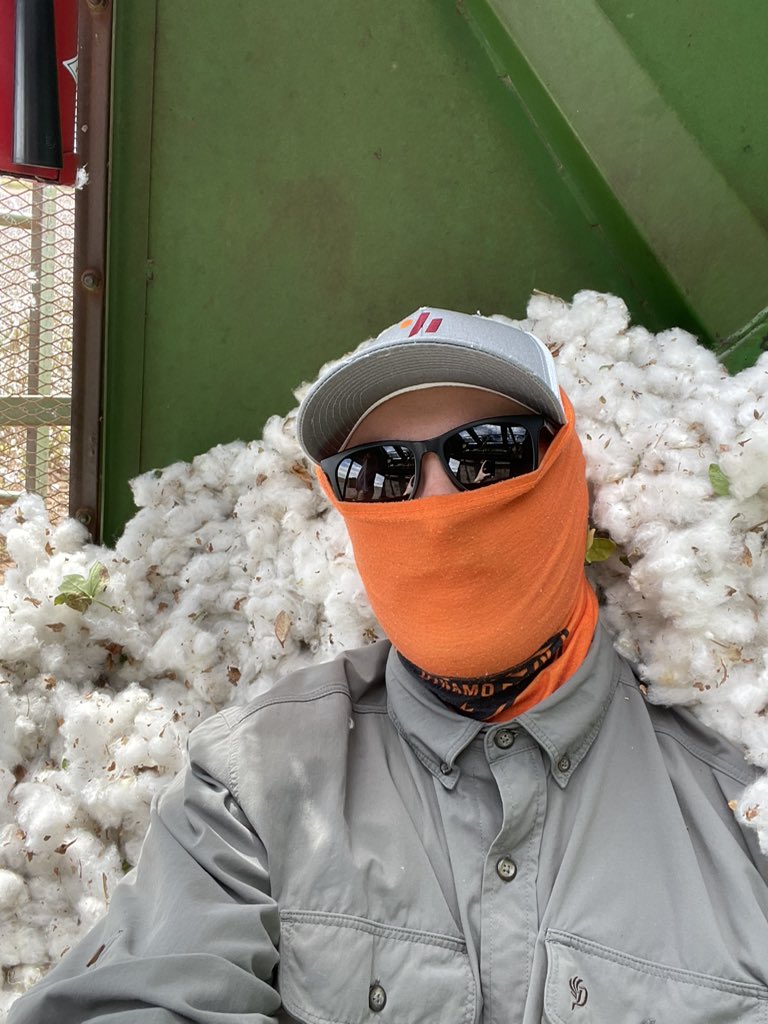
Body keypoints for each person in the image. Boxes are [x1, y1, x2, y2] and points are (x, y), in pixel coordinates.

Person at [9, 307, 768, 1023]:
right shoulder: (256, 782)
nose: (435, 508)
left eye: (488, 453)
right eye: (381, 473)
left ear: (568, 476)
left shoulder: (741, 805)